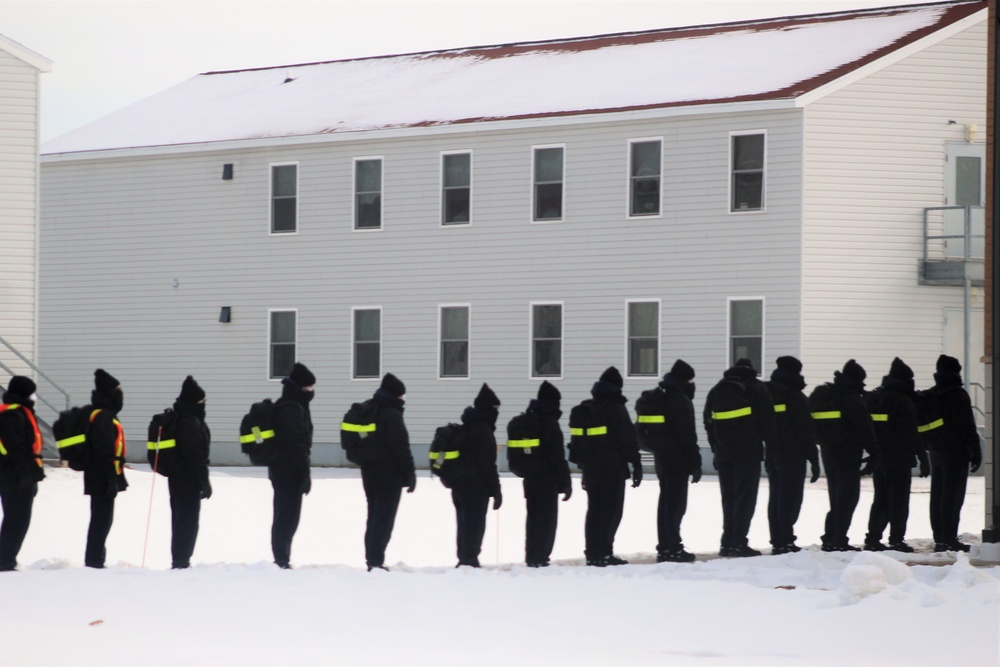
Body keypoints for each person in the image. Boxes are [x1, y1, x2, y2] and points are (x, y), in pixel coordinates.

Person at [703, 359, 774, 558]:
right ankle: (738, 542)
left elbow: (708, 421)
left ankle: (727, 542)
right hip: (748, 454)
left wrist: (716, 447)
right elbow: (768, 421)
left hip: (723, 453)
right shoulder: (756, 388)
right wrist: (769, 450)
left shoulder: (717, 389)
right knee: (745, 498)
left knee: (729, 498)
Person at [809, 360, 877, 552]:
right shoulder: (851, 398)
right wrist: (874, 453)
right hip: (848, 454)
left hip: (828, 452)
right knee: (847, 499)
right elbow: (865, 429)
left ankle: (830, 537)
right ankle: (838, 539)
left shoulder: (824, 395)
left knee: (836, 497)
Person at [863, 358, 927, 553]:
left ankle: (873, 538)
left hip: (880, 457)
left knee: (880, 499)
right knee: (898, 501)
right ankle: (896, 539)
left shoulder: (875, 398)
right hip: (899, 458)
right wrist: (922, 457)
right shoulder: (903, 401)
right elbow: (910, 432)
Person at [641, 359, 701, 563]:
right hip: (678, 459)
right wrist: (695, 463)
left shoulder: (660, 397)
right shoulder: (679, 400)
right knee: (675, 505)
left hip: (662, 457)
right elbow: (687, 435)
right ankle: (673, 547)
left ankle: (665, 546)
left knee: (665, 503)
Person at [582, 366, 642, 567]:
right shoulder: (615, 407)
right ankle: (605, 552)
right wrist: (635, 462)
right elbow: (627, 438)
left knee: (594, 510)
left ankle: (592, 552)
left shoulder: (590, 407)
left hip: (591, 469)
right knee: (611, 511)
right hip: (611, 468)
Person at [923, 354, 982, 552]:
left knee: (938, 496)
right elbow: (968, 426)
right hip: (956, 453)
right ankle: (949, 539)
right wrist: (976, 450)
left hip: (936, 452)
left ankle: (940, 538)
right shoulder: (958, 394)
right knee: (953, 497)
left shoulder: (931, 394)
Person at [360, 373, 416, 572]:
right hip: (388, 475)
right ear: (395, 395)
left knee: (374, 516)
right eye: (402, 396)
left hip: (369, 472)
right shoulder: (391, 414)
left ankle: (372, 558)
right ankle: (375, 561)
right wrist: (410, 473)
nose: (403, 400)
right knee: (384, 519)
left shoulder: (373, 410)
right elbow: (400, 447)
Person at [764, 356, 819, 555]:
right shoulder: (796, 397)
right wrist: (813, 458)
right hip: (793, 455)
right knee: (790, 500)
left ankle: (778, 539)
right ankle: (786, 540)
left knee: (776, 498)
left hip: (772, 453)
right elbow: (806, 430)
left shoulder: (766, 393)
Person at [516, 380, 572, 568]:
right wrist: (565, 483)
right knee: (547, 520)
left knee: (533, 519)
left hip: (530, 479)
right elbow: (557, 457)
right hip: (547, 480)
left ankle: (531, 555)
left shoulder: (527, 422)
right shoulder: (550, 424)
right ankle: (541, 557)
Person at [451, 383, 503, 568]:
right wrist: (496, 491)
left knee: (464, 524)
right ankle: (469, 560)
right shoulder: (483, 431)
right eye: (495, 408)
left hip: (460, 485)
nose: (497, 412)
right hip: (475, 487)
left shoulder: (468, 427)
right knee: (474, 525)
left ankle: (465, 558)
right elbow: (487, 465)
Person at [269, 362, 315, 569]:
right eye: (309, 388)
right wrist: (304, 474)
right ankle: (281, 559)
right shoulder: (291, 409)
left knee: (288, 515)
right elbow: (297, 445)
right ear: (300, 388)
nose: (311, 391)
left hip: (286, 470)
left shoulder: (295, 405)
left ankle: (283, 557)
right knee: (286, 516)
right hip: (287, 471)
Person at [84, 369, 128, 569]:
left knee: (102, 519)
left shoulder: (104, 413)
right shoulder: (102, 416)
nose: (121, 394)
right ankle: (94, 560)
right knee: (101, 520)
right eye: (118, 390)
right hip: (101, 476)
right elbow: (103, 451)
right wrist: (111, 479)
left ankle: (96, 558)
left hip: (102, 475)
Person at [0, 376, 45, 571]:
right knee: (17, 519)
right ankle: (5, 561)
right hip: (14, 476)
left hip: (17, 474)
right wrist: (25, 475)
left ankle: (7, 558)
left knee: (16, 518)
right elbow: (16, 448)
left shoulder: (18, 413)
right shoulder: (12, 416)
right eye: (31, 393)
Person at [168, 376, 212, 569]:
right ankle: (181, 561)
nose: (204, 405)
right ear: (195, 402)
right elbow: (195, 456)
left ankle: (181, 558)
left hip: (179, 478)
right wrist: (204, 481)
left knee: (181, 520)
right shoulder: (189, 423)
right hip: (187, 479)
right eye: (202, 401)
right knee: (187, 521)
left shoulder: (185, 419)